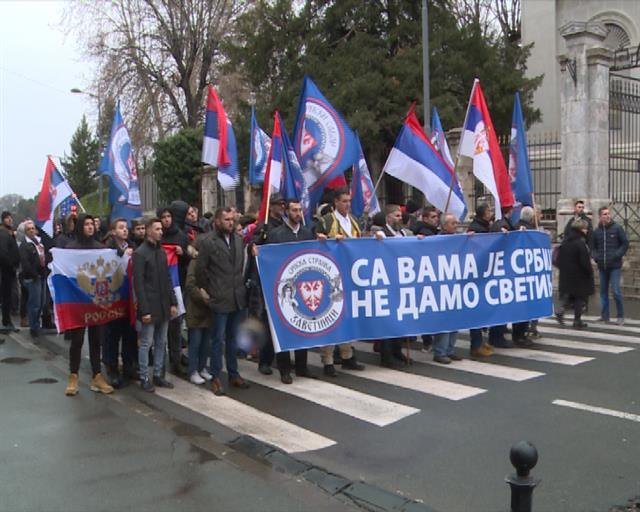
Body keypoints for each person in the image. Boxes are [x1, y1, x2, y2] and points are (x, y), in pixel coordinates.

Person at [260, 199, 318, 383]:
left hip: (303, 288)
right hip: (283, 289)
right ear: (287, 212)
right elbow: (268, 259)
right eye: (294, 210)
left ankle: (301, 366)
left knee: (302, 327)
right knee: (284, 328)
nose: (297, 213)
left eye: (300, 210)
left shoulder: (307, 233)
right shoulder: (276, 235)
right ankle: (284, 369)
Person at [196, 206, 250, 396]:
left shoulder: (238, 239)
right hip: (219, 297)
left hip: (237, 297)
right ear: (218, 221)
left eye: (232, 219)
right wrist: (209, 290)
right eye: (226, 219)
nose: (230, 222)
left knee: (233, 339)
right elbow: (200, 271)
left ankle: (234, 373)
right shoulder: (208, 241)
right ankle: (216, 376)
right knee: (217, 339)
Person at [316, 188, 365, 377]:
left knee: (348, 317)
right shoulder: (326, 221)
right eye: (344, 201)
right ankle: (327, 359)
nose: (347, 204)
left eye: (349, 201)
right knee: (331, 317)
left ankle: (347, 355)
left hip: (351, 276)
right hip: (331, 276)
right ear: (336, 202)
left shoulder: (354, 221)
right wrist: (327, 239)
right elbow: (316, 245)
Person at [64, 213, 114, 396]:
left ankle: (97, 375)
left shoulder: (101, 248)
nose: (90, 227)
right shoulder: (70, 249)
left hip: (95, 301)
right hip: (78, 302)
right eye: (86, 224)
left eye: (92, 224)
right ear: (80, 227)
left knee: (96, 339)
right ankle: (73, 375)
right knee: (77, 340)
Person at [132, 217, 178, 392]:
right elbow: (139, 284)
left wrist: (172, 301)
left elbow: (167, 278)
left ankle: (158, 374)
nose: (161, 232)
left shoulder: (161, 252)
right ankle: (144, 376)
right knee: (146, 343)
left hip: (163, 304)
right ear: (149, 231)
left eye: (161, 229)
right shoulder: (140, 253)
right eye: (157, 229)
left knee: (161, 342)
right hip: (149, 306)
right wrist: (144, 310)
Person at [373, 204, 412, 368]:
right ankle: (386, 355)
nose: (400, 218)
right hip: (386, 280)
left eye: (400, 215)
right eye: (396, 216)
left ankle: (397, 350)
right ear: (388, 217)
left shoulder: (402, 233)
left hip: (400, 281)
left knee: (400, 317)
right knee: (387, 319)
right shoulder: (381, 233)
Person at [103, 218, 138, 387]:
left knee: (129, 334)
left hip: (129, 297)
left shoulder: (131, 247)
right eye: (121, 227)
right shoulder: (108, 249)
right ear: (113, 231)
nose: (125, 230)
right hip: (113, 297)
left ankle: (128, 366)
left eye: (126, 227)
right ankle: (112, 368)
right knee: (113, 334)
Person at [158, 205, 189, 375]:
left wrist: (182, 253)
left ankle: (176, 360)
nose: (166, 220)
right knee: (162, 328)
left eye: (169, 216)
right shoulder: (157, 237)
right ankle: (159, 365)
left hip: (178, 285)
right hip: (160, 288)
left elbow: (188, 260)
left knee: (176, 326)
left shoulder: (180, 236)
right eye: (163, 217)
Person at [432, 213, 463, 364]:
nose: (456, 226)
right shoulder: (437, 241)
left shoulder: (459, 239)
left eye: (456, 223)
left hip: (456, 284)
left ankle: (450, 350)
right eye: (453, 224)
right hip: (442, 286)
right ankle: (440, 351)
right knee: (444, 320)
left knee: (455, 319)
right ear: (444, 226)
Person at [591, 206, 629, 325]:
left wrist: (617, 255)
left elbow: (625, 244)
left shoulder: (617, 228)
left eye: (608, 214)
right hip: (602, 266)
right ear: (600, 216)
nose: (607, 216)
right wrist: (596, 257)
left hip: (615, 266)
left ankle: (620, 316)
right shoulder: (596, 232)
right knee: (603, 293)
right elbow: (592, 248)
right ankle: (605, 316)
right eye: (604, 214)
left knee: (616, 291)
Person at [466, 203, 494, 357]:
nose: (491, 212)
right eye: (489, 210)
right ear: (483, 213)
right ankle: (475, 344)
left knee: (483, 311)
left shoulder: (485, 226)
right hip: (475, 275)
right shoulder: (475, 228)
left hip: (483, 274)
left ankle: (480, 342)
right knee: (476, 313)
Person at [556, 219, 594, 329]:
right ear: (581, 229)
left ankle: (561, 311)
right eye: (586, 229)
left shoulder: (566, 241)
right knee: (579, 298)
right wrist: (589, 272)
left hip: (566, 273)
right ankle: (577, 321)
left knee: (569, 295)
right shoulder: (580, 243)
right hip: (579, 275)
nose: (587, 231)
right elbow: (584, 262)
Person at [184, 244, 212, 385]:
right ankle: (193, 370)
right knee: (195, 341)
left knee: (206, 342)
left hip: (209, 308)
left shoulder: (211, 262)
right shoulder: (195, 263)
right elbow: (190, 284)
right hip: (196, 308)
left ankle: (202, 367)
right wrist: (202, 297)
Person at [18, 220, 50, 338]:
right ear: (25, 232)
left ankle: (36, 324)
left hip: (42, 275)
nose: (32, 230)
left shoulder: (39, 243)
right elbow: (25, 263)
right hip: (33, 278)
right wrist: (34, 274)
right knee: (34, 304)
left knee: (41, 303)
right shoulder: (24, 245)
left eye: (33, 228)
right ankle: (34, 327)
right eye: (29, 229)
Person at [511, 206, 536, 347]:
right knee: (524, 308)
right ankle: (519, 336)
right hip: (524, 274)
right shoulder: (525, 230)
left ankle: (520, 334)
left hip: (521, 274)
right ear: (531, 218)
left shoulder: (516, 227)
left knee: (522, 308)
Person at [0, 211, 20, 331]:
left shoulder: (10, 232)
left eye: (10, 218)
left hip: (10, 269)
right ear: (3, 220)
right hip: (7, 269)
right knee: (7, 296)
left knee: (8, 295)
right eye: (7, 218)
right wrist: (11, 265)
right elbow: (3, 252)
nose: (10, 220)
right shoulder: (3, 233)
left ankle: (7, 321)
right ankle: (6, 322)